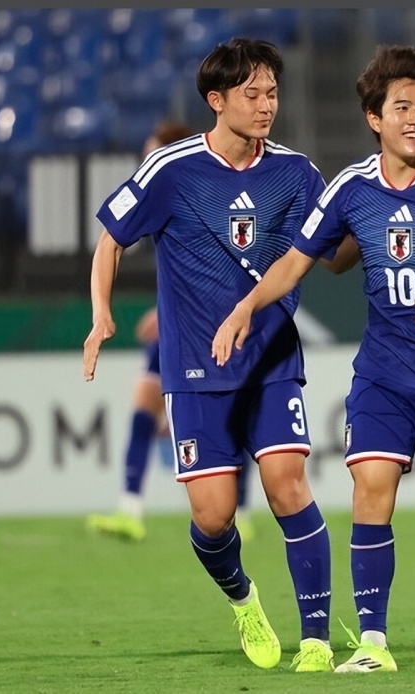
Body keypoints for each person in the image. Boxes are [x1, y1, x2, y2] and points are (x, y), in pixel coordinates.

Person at [213, 45, 415, 674]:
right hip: (382, 374)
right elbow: (297, 261)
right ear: (374, 118)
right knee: (370, 491)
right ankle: (374, 643)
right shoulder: (351, 188)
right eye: (403, 107)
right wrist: (245, 307)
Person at [82, 38, 337, 672]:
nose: (266, 105)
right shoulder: (171, 169)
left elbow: (332, 250)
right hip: (196, 370)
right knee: (214, 515)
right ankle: (244, 599)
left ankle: (316, 637)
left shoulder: (297, 173)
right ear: (216, 100)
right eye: (252, 94)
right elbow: (110, 239)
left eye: (272, 93)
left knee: (287, 485)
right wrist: (101, 313)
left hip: (271, 360)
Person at [86, 122, 257, 544]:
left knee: (238, 418)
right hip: (177, 328)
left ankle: (243, 510)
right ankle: (130, 509)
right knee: (144, 402)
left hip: (221, 327)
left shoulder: (197, 187)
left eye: (152, 152)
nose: (145, 161)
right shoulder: (157, 192)